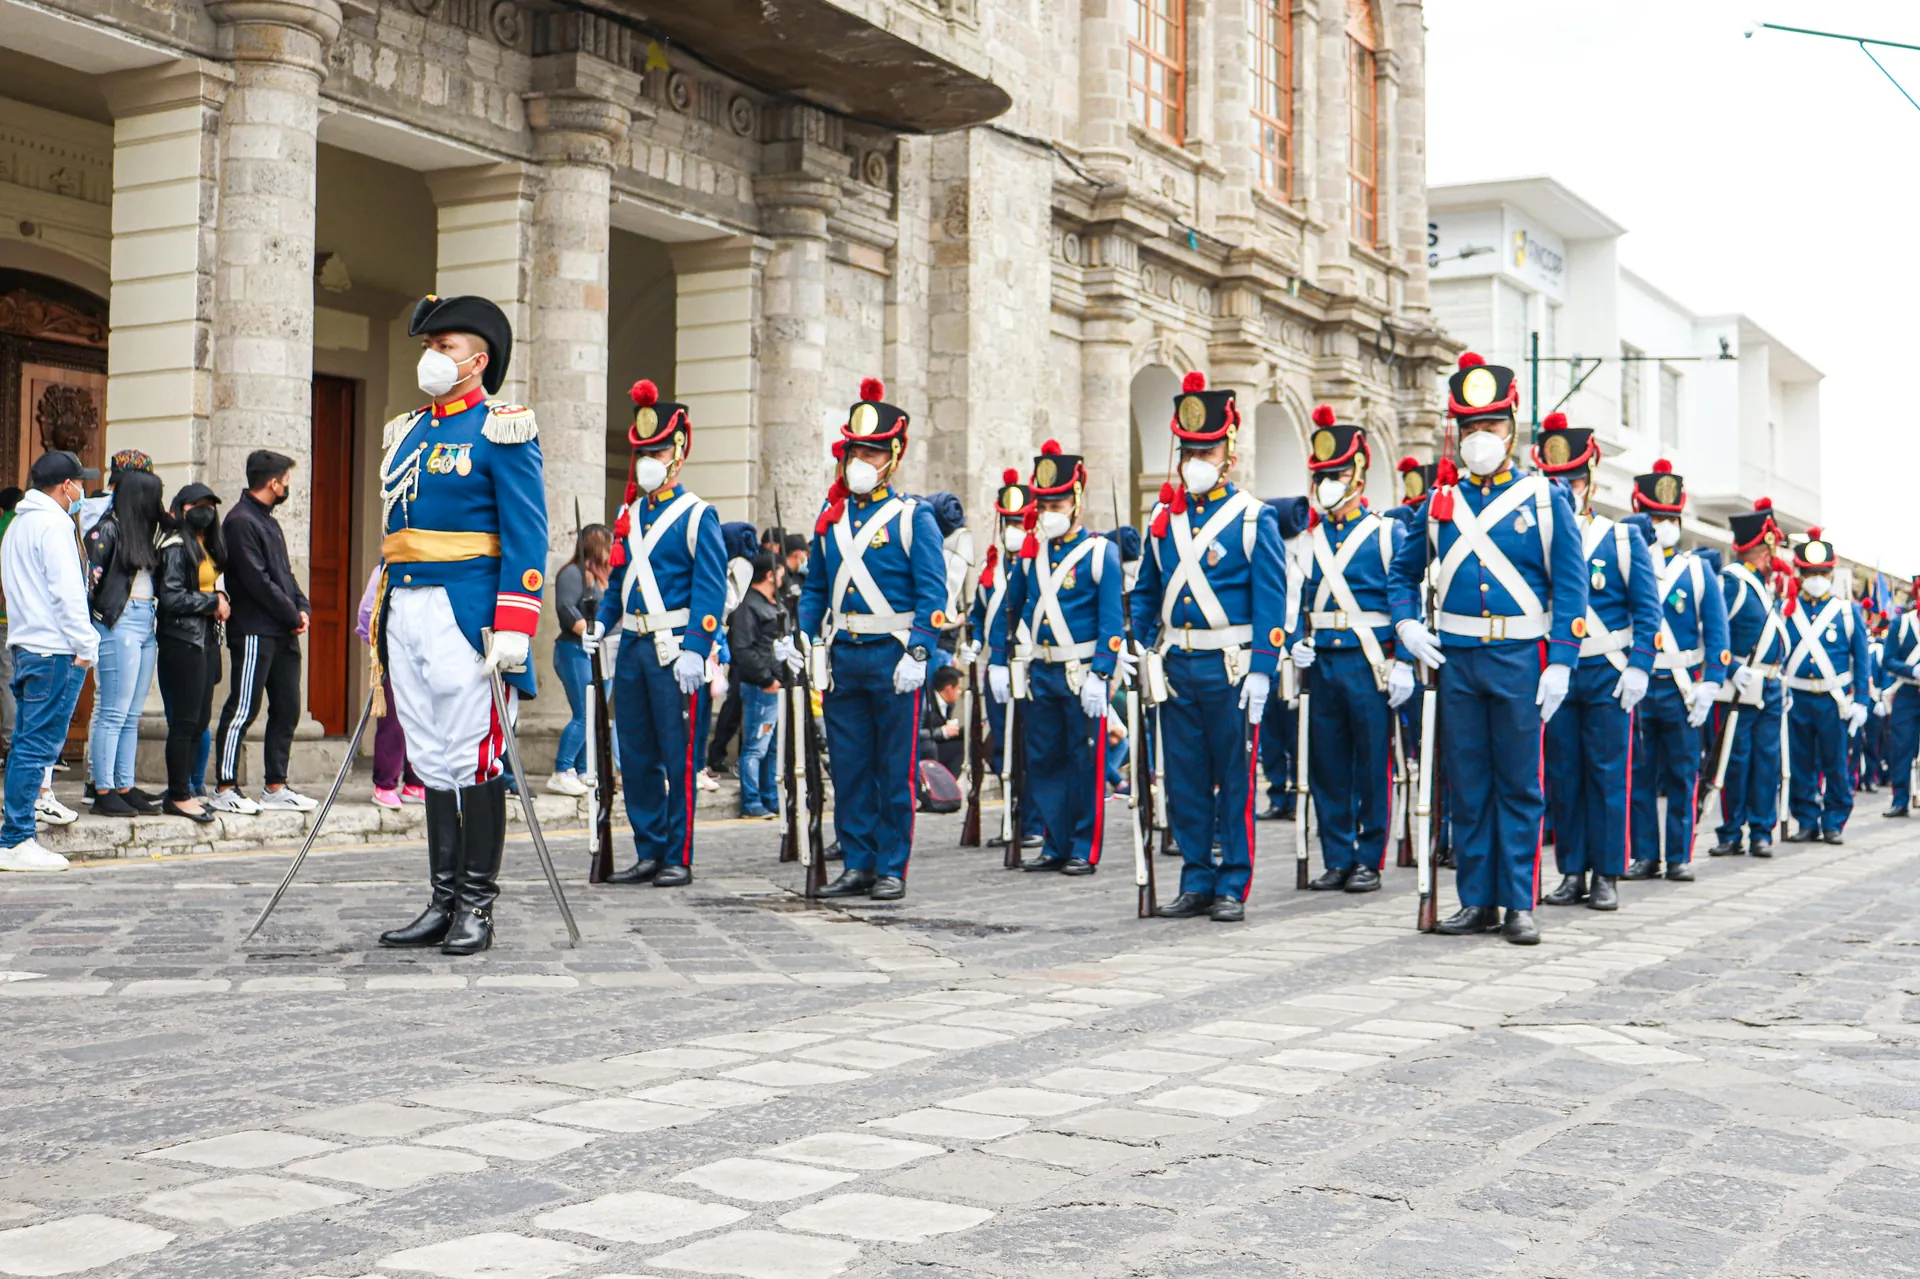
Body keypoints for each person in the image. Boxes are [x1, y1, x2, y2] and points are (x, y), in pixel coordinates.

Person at [1387, 353, 1587, 946]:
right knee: (1467, 784)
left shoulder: (1546, 501)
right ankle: (1476, 898)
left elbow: (1570, 589)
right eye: (1470, 428)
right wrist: (1405, 628)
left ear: (1512, 428)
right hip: (1456, 660)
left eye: (1491, 426)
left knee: (1520, 784)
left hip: (1522, 660)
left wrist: (1562, 664)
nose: (1481, 439)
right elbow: (1402, 574)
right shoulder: (1439, 504)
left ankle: (1519, 901)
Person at [373, 294, 546, 955]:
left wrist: (516, 622)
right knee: (433, 758)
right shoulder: (407, 430)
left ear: (477, 360)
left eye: (443, 346)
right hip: (409, 607)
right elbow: (397, 533)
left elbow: (526, 532)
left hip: (469, 613)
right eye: (427, 345)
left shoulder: (502, 428)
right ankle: (442, 899)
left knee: (475, 757)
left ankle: (477, 903)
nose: (430, 356)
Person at [1130, 372, 1284, 923]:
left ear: (1228, 451)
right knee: (1186, 782)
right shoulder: (1161, 520)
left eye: (1207, 448)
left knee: (1235, 780)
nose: (1195, 457)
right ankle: (1196, 878)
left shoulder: (1252, 516)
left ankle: (1232, 884)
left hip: (1232, 666)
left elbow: (1271, 598)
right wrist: (1137, 644)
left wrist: (1265, 668)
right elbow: (1147, 591)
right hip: (1177, 667)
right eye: (1189, 448)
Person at [785, 377, 946, 902]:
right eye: (855, 449)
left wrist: (919, 650)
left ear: (891, 457)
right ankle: (857, 861)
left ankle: (891, 866)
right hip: (843, 658)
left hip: (892, 655)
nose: (860, 460)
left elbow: (932, 592)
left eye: (871, 451)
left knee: (891, 769)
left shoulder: (912, 516)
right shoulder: (831, 521)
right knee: (850, 768)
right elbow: (814, 590)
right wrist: (802, 636)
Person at [592, 378, 725, 886]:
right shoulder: (629, 515)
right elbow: (619, 580)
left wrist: (697, 649)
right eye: (643, 450)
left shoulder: (697, 515)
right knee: (639, 753)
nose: (649, 458)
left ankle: (677, 855)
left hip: (674, 651)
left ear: (678, 452)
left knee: (679, 756)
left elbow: (709, 591)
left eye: (659, 448)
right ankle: (648, 849)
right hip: (632, 648)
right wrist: (603, 622)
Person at [1530, 414, 1658, 911]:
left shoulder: (1620, 538)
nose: (1565, 489)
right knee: (1563, 774)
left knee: (1607, 775)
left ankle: (1606, 872)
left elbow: (1648, 610)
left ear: (1591, 480)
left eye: (1574, 480)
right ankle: (1571, 871)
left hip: (1607, 670)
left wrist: (1639, 666)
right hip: (1557, 670)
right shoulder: (1538, 537)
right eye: (1556, 481)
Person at [1287, 406, 1407, 894]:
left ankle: (1368, 857)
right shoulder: (1307, 540)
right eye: (1322, 475)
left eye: (1336, 473)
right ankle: (1336, 855)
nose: (1327, 482)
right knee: (1327, 765)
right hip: (1323, 663)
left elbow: (1404, 598)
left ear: (1358, 474)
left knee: (1370, 762)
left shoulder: (1385, 532)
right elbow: (1294, 600)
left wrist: (1401, 659)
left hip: (1369, 663)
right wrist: (1294, 643)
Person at [991, 442, 1123, 876]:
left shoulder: (1101, 552)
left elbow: (1112, 622)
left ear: (1078, 500)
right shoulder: (1033, 556)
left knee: (1084, 762)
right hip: (1042, 671)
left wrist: (1101, 672)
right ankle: (1054, 840)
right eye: (1043, 502)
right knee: (1044, 759)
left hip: (1082, 670)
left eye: (1058, 501)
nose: (1049, 510)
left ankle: (1084, 846)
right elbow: (1008, 608)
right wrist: (997, 657)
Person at [1623, 462, 1727, 882]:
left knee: (1684, 775)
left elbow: (1717, 634)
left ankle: (1680, 855)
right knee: (1640, 775)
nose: (1663, 526)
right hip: (1638, 682)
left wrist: (1711, 684)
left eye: (1669, 519)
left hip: (1682, 687)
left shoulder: (1697, 570)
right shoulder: (1628, 560)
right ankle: (1645, 855)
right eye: (1655, 519)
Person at [0, 451, 100, 870]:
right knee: (36, 747)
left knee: (26, 743)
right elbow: (67, 593)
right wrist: (86, 644)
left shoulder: (19, 525)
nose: (82, 491)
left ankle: (16, 834)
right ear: (65, 486)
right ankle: (16, 837)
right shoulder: (55, 525)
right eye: (80, 483)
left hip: (28, 645)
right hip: (54, 649)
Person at [211, 450, 316, 815]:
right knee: (243, 707)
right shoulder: (240, 521)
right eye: (286, 480)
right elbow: (257, 580)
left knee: (287, 707)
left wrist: (302, 607)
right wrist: (291, 613)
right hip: (255, 629)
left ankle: (276, 786)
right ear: (273, 482)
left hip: (282, 629)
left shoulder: (269, 521)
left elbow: (284, 575)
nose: (288, 486)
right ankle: (225, 786)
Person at [1707, 499, 1790, 855]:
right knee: (1735, 760)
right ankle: (1730, 831)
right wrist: (1730, 668)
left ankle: (1761, 831)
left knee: (1766, 761)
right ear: (1759, 550)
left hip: (1770, 685)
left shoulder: (1765, 587)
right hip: (1741, 686)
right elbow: (1714, 632)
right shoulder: (1733, 582)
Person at [83, 463, 166, 816]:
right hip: (118, 623)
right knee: (112, 711)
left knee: (131, 714)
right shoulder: (107, 531)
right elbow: (90, 586)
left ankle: (124, 785)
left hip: (145, 621)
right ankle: (103, 789)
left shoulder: (143, 534)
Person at [967, 470, 1043, 850]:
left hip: (1027, 664)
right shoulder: (992, 569)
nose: (1013, 528)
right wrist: (974, 640)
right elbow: (980, 614)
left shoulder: (1039, 563)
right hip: (994, 670)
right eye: (1008, 521)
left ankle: (1032, 821)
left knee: (1030, 746)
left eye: (1019, 521)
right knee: (1000, 747)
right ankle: (1012, 816)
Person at [1780, 528, 1869, 844]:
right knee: (1801, 763)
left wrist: (1862, 700)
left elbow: (1861, 657)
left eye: (1821, 572)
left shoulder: (1847, 611)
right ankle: (1806, 819)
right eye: (1810, 572)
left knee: (1835, 763)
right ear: (1800, 574)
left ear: (1830, 573)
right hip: (1798, 696)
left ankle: (1833, 821)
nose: (1815, 577)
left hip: (1834, 700)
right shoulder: (1788, 609)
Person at [155, 483, 228, 822]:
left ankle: (184, 789)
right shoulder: (173, 545)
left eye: (210, 505)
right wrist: (212, 602)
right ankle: (179, 794)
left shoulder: (205, 544)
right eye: (198, 504)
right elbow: (170, 598)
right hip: (182, 641)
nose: (206, 510)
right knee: (184, 722)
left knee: (199, 721)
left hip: (205, 640)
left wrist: (220, 600)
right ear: (182, 508)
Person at [549, 524, 612, 798]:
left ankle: (584, 769)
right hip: (575, 650)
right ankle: (562, 771)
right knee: (585, 713)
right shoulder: (572, 573)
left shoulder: (600, 577)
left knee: (596, 714)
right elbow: (565, 607)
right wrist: (586, 631)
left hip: (602, 652)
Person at [354, 564, 423, 809]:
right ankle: (385, 784)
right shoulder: (387, 568)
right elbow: (366, 611)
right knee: (393, 721)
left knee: (423, 721)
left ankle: (416, 781)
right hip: (397, 653)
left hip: (426, 655)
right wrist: (379, 647)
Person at [729, 551, 786, 819]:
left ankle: (770, 796)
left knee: (772, 745)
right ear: (770, 575)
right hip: (761, 685)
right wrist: (766, 678)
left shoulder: (772, 603)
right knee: (756, 745)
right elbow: (744, 648)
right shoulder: (749, 606)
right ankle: (751, 801)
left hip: (776, 682)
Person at [1882, 577, 1920, 818]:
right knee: (1901, 749)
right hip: (1907, 693)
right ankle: (1900, 799)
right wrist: (1912, 671)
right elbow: (1888, 660)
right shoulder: (1902, 624)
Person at [0, 486, 22, 759]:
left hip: (5, 616)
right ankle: (13, 744)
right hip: (19, 616)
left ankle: (10, 744)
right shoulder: (22, 524)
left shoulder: (7, 524)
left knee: (8, 680)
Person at [920, 666, 966, 778]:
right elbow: (915, 732)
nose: (960, 692)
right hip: (923, 747)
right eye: (958, 688)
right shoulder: (925, 701)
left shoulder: (948, 705)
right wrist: (942, 732)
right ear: (949, 689)